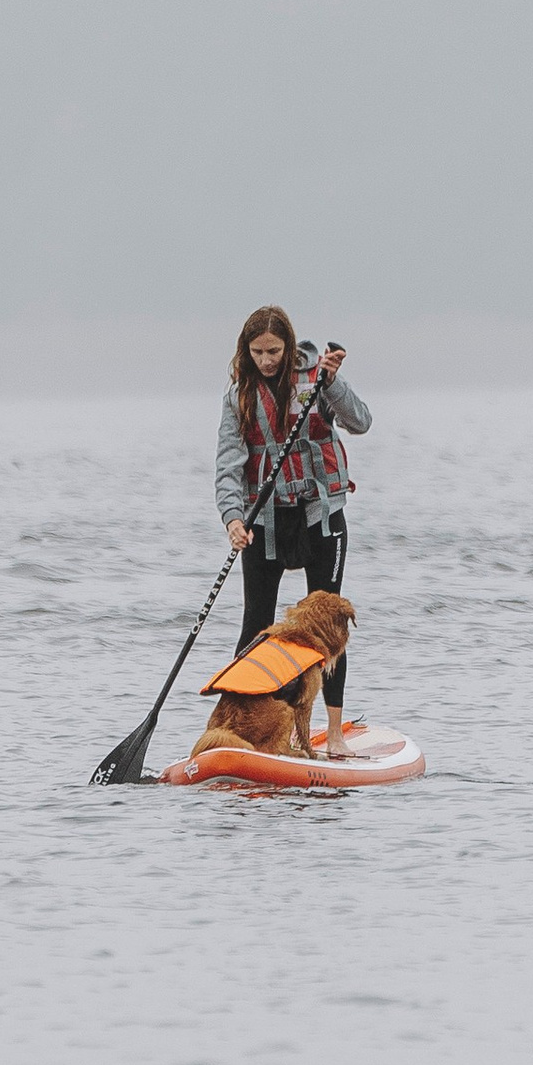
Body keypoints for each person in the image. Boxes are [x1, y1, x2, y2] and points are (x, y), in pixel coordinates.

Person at [215, 307, 373, 746]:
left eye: (275, 351)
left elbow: (361, 421)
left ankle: (335, 735)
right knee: (255, 624)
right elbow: (228, 467)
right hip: (264, 521)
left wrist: (333, 382)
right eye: (258, 352)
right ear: (246, 352)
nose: (267, 360)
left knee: (327, 628)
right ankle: (235, 726)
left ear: (289, 348)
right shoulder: (238, 397)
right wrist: (232, 519)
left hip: (320, 516)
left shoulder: (317, 381)